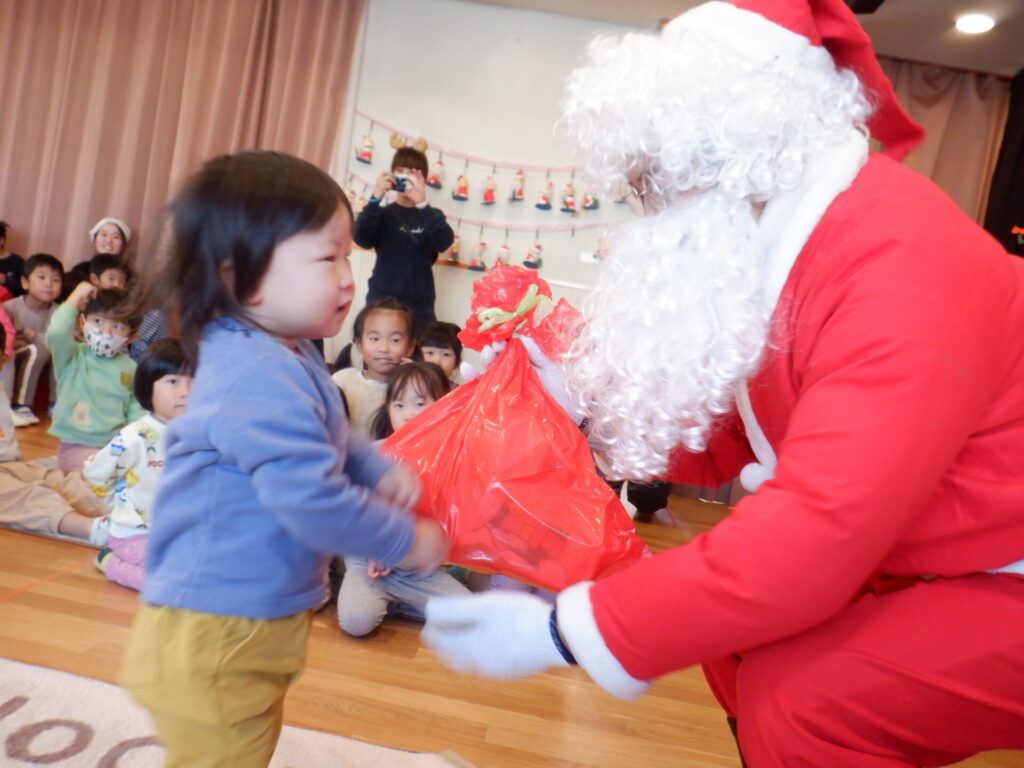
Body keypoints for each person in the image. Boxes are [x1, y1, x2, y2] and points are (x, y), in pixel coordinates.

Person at [422, 2, 1024, 767]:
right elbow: (738, 436)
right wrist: (583, 402)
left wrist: (566, 631)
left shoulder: (896, 262)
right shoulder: (800, 248)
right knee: (736, 645)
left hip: (1005, 561)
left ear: (724, 156)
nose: (643, 211)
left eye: (651, 183)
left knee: (809, 705)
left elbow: (818, 533)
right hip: (954, 545)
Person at [117, 150, 447, 768]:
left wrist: (375, 469)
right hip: (219, 620)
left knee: (251, 734)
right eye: (328, 258)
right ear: (243, 278)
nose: (347, 278)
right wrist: (404, 540)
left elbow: (332, 433)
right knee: (226, 752)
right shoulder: (255, 371)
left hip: (256, 609)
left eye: (347, 256)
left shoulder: (288, 353)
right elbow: (310, 499)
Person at [338, 361, 466, 637]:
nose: (408, 414)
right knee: (356, 622)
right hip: (368, 563)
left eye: (420, 404)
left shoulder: (447, 460)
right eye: (399, 405)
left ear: (444, 407)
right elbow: (357, 510)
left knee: (465, 612)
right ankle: (401, 603)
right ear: (388, 410)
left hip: (416, 569)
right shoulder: (375, 454)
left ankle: (402, 603)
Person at [85, 338, 193, 590]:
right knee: (169, 584)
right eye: (173, 381)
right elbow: (96, 473)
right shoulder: (134, 437)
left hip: (181, 533)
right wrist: (121, 504)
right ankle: (109, 562)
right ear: (147, 387)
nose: (186, 392)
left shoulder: (198, 432)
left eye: (193, 381)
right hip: (135, 535)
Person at [356, 146, 455, 335]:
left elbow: (444, 242)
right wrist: (376, 196)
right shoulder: (382, 214)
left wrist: (422, 203)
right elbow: (362, 239)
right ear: (392, 175)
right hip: (381, 302)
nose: (404, 177)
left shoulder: (431, 215)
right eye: (400, 171)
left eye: (411, 173)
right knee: (378, 351)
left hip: (420, 308)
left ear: (422, 179)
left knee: (419, 353)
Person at [47, 282, 144, 473]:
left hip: (113, 445)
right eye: (98, 321)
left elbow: (135, 409)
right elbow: (56, 332)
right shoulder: (72, 356)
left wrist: (140, 441)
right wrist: (77, 294)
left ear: (131, 337)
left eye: (117, 326)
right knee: (100, 478)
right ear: (82, 322)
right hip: (75, 446)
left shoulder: (131, 368)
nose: (106, 332)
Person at [331, 298, 415, 433]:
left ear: (410, 347)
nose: (383, 348)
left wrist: (414, 378)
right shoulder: (342, 381)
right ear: (359, 344)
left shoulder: (413, 387)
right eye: (374, 339)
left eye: (395, 340)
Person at [1, 253, 63, 426]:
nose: (48, 284)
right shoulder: (10, 308)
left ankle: (56, 403)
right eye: (41, 277)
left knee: (61, 352)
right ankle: (21, 404)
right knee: (37, 350)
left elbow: (63, 342)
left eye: (56, 279)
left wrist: (36, 336)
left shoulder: (61, 312)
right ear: (25, 282)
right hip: (13, 359)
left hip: (43, 363)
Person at [0, 221, 25, 300]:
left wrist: (6, 281)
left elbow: (26, 292)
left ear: (1, 240)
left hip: (11, 305)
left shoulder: (17, 262)